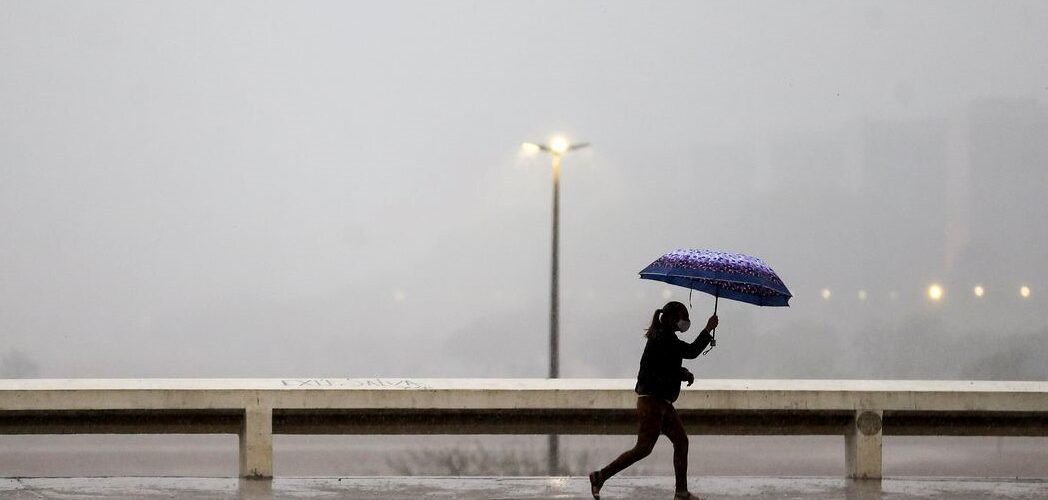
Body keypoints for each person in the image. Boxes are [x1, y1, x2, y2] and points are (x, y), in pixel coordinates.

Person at [588, 300, 718, 500]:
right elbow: (690, 352)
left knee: (681, 442)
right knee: (644, 448)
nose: (685, 322)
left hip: (662, 403)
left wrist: (682, 373)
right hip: (652, 403)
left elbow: (666, 367)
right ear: (671, 319)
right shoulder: (663, 338)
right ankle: (600, 476)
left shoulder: (664, 338)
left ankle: (681, 492)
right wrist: (707, 329)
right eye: (683, 318)